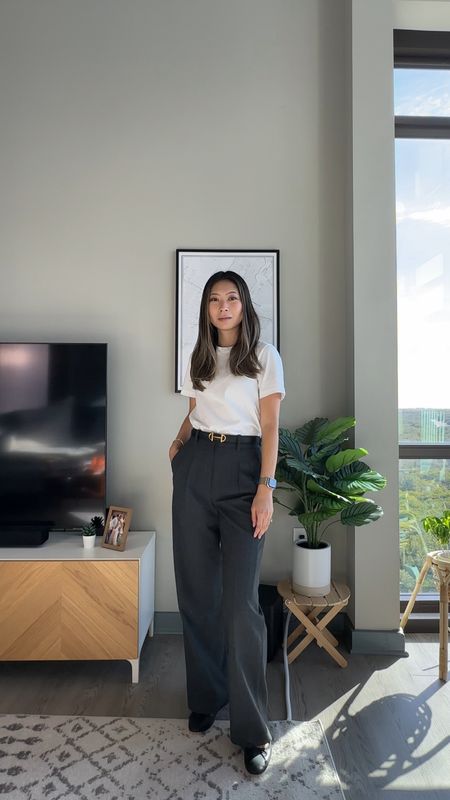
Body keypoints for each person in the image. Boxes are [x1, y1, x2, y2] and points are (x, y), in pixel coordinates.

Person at [169, 270, 285, 776]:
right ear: (206, 308)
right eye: (214, 299)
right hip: (195, 466)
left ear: (244, 304)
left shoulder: (263, 355)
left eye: (231, 298)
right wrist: (176, 446)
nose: (223, 306)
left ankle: (252, 730)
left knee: (241, 606)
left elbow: (271, 423)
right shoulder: (196, 355)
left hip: (244, 473)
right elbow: (197, 408)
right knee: (197, 593)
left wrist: (266, 486)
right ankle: (206, 697)